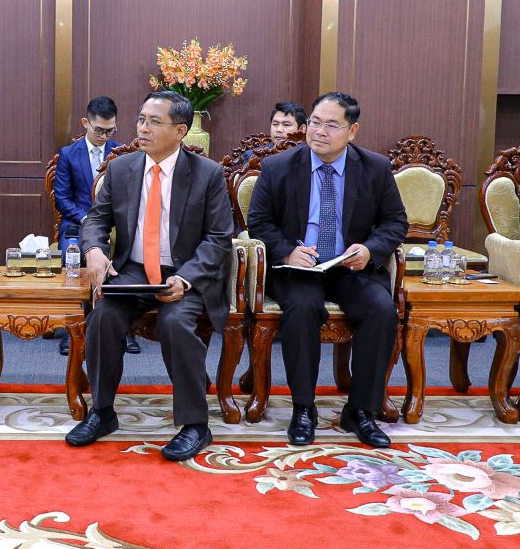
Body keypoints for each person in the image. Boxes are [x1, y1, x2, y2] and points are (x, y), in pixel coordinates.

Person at [65, 90, 234, 462]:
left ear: (180, 131)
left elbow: (219, 238)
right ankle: (102, 411)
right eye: (141, 119)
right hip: (135, 269)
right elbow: (96, 220)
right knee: (104, 316)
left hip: (186, 273)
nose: (142, 128)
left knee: (175, 323)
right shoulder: (121, 169)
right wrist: (94, 250)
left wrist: (186, 279)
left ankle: (195, 424)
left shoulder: (207, 174)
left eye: (154, 122)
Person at [247, 92, 407, 449]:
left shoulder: (375, 167)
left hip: (351, 267)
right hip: (299, 268)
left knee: (382, 310)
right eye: (315, 123)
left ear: (352, 131)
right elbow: (258, 222)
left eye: (331, 125)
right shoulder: (278, 167)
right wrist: (287, 252)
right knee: (302, 308)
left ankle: (360, 410)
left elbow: (395, 221)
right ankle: (304, 408)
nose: (319, 131)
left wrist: (370, 249)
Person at [51, 95, 138, 356]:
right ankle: (75, 328)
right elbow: (62, 198)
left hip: (116, 224)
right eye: (99, 130)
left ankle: (124, 328)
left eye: (110, 131)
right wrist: (87, 219)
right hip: (78, 223)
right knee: (73, 257)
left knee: (132, 256)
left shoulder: (122, 152)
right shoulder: (68, 154)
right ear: (85, 123)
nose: (104, 136)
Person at [241, 101, 306, 166]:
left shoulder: (308, 155)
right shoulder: (253, 156)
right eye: (275, 124)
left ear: (302, 129)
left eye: (286, 125)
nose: (279, 130)